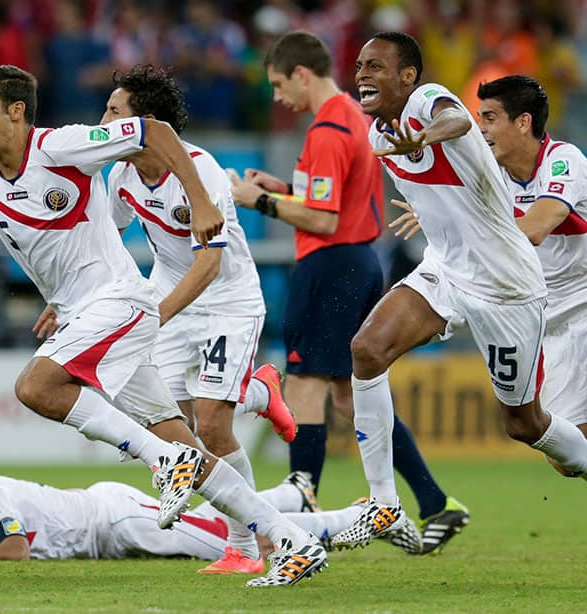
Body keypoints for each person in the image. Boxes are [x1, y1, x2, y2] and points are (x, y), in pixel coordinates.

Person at [0, 64, 328, 587]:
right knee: (186, 443)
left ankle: (165, 463)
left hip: (121, 301)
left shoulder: (62, 147)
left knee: (37, 386)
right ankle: (293, 542)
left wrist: (203, 199)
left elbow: (155, 131)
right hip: (87, 314)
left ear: (16, 111)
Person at [331, 32, 587, 551]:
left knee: (524, 423)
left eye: (375, 66)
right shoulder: (370, 126)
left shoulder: (428, 103)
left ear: (407, 77)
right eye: (359, 65)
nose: (362, 75)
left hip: (509, 287)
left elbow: (456, 120)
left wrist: (426, 139)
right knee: (366, 350)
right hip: (445, 270)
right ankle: (384, 502)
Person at [229, 30, 466, 555]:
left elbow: (322, 216)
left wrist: (255, 202)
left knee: (305, 381)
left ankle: (304, 495)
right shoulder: (353, 121)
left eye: (277, 84)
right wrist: (282, 191)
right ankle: (432, 502)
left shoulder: (329, 128)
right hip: (360, 262)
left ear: (302, 75)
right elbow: (328, 200)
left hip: (330, 263)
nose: (277, 98)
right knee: (350, 395)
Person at [96, 64, 300, 574]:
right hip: (169, 293)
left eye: (113, 112)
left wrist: (152, 318)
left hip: (227, 300)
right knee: (173, 427)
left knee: (211, 424)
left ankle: (246, 548)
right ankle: (260, 392)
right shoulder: (119, 175)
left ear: (144, 122)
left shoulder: (201, 170)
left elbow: (209, 265)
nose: (103, 122)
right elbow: (101, 240)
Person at [390, 75, 587, 478]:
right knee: (566, 457)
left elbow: (534, 228)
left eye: (491, 117)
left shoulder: (564, 161)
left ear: (523, 122)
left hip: (584, 301)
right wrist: (439, 215)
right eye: (479, 117)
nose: (481, 129)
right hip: (545, 317)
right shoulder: (492, 178)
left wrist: (467, 226)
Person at [0, 473, 363, 564]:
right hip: (105, 519)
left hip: (114, 521)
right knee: (217, 519)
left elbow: (10, 551)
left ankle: (349, 519)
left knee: (234, 543)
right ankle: (291, 493)